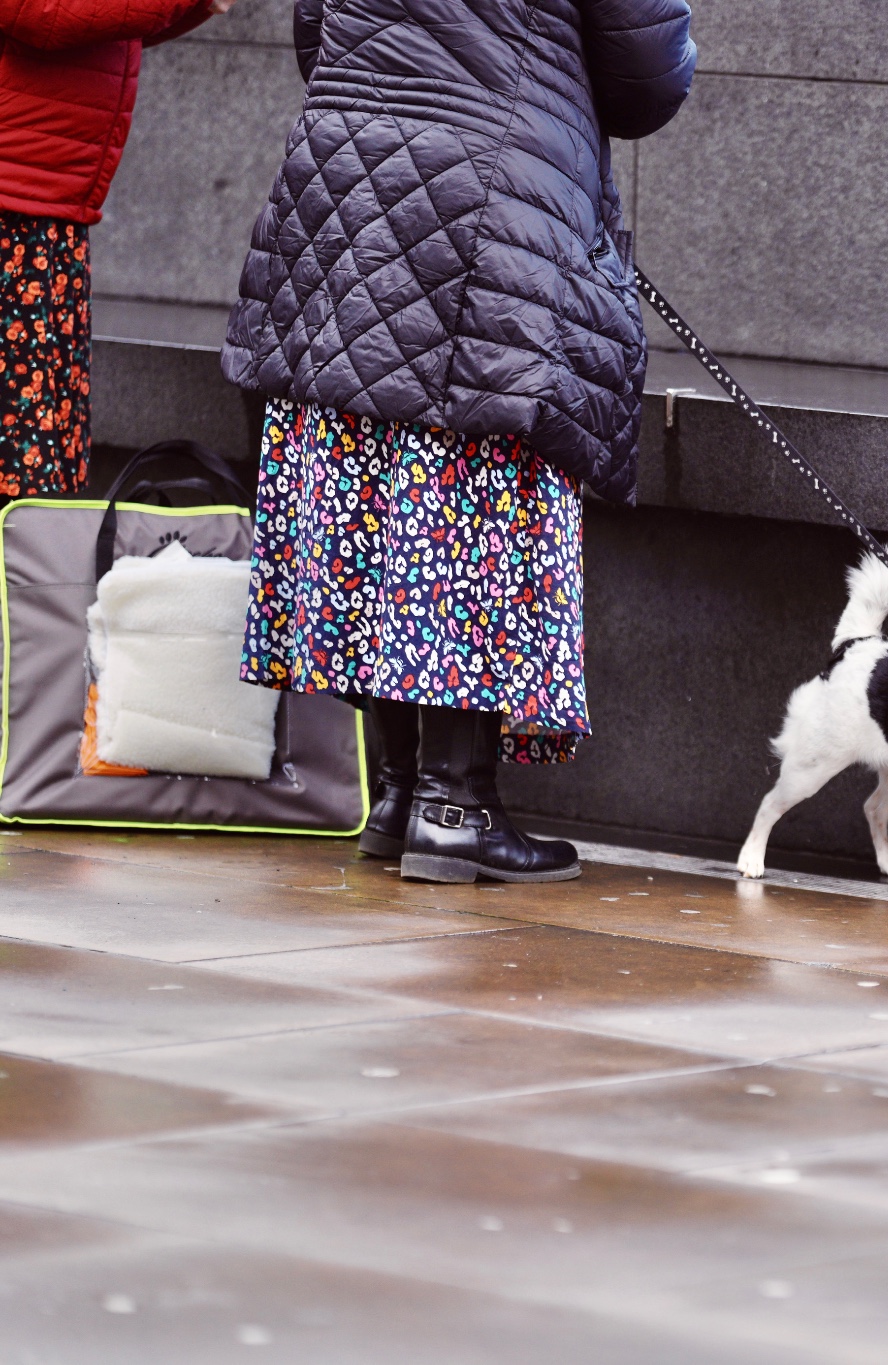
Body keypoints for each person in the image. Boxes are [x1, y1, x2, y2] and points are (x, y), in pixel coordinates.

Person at [222, 0, 696, 883]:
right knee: (470, 503)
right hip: (495, 193)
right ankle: (456, 806)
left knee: (374, 493)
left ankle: (401, 794)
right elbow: (647, 76)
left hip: (350, 183)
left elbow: (314, 30)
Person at [0, 0, 234, 498]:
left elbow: (104, 23)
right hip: (16, 207)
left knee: (36, 445)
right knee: (22, 447)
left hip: (43, 204)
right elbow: (42, 13)